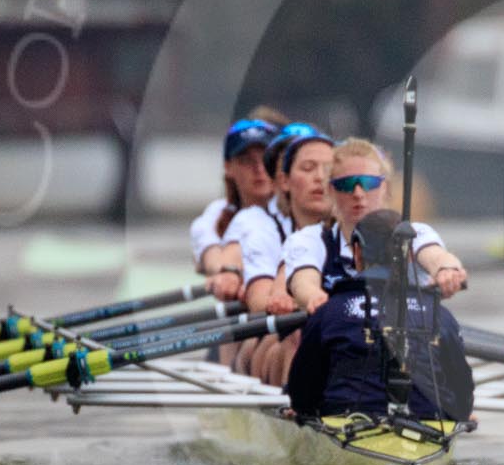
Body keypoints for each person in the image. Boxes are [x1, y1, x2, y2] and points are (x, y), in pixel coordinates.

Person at [285, 209, 475, 425]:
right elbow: (463, 396)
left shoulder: (329, 313)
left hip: (348, 424)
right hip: (429, 427)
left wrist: (305, 413)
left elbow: (301, 394)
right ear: (410, 256)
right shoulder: (440, 316)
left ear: (357, 252)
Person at [277, 137, 468, 314]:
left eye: (369, 183)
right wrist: (313, 297)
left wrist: (447, 271)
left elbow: (437, 257)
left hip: (402, 341)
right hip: (337, 337)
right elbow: (303, 280)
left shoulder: (413, 232)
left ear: (385, 188)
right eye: (346, 184)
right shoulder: (310, 239)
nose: (358, 193)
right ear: (330, 190)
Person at [226, 125, 335, 378]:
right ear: (282, 179)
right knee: (296, 337)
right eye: (307, 168)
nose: (320, 177)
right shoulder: (261, 224)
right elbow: (259, 302)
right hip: (275, 335)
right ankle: (294, 406)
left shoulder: (353, 228)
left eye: (329, 169)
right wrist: (284, 298)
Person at [191, 114, 281, 302]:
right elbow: (209, 252)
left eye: (265, 158)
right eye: (247, 160)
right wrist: (227, 273)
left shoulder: (295, 210)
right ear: (228, 167)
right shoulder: (217, 212)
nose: (259, 168)